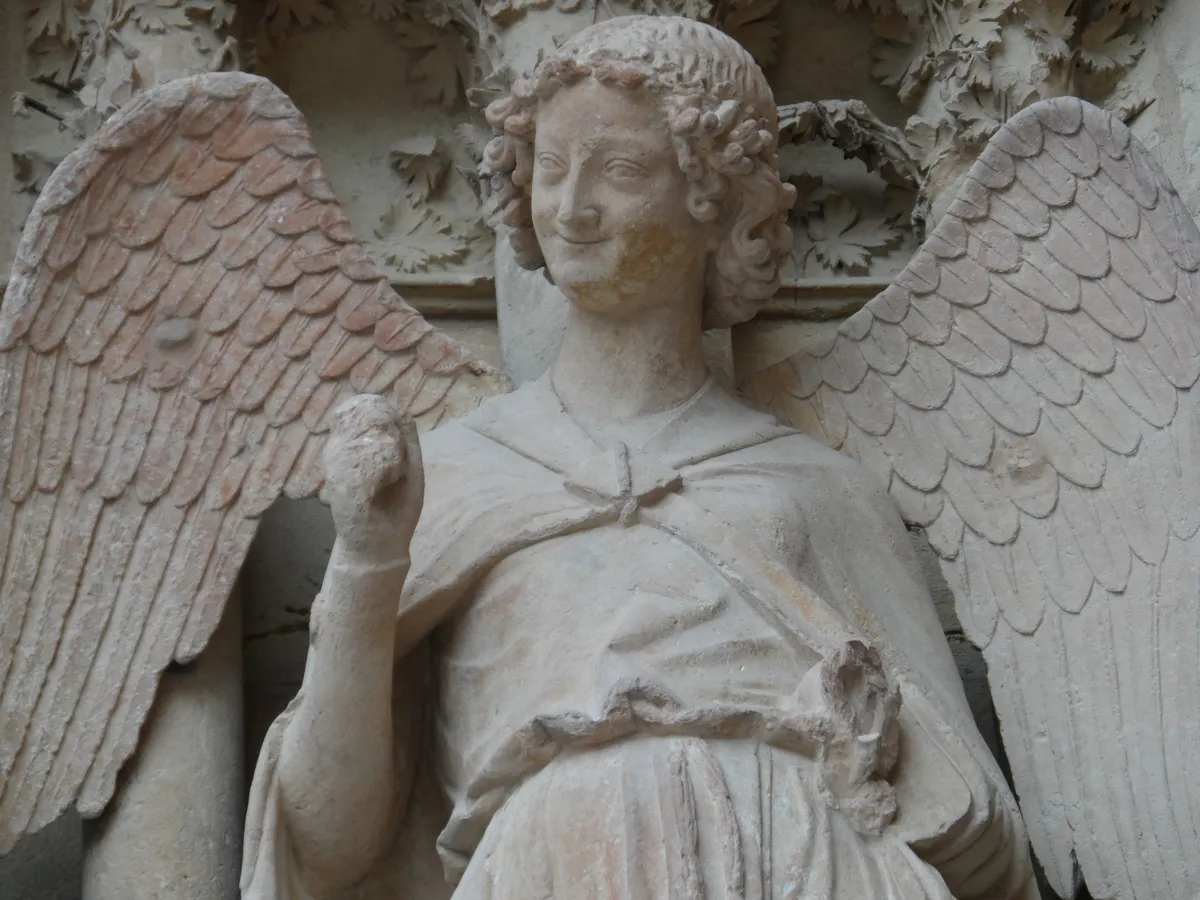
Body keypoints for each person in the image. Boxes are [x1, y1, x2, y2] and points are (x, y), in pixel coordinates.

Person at [242, 16, 1035, 899]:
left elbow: (985, 843)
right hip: (556, 867)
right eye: (550, 166)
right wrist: (367, 563)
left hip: (812, 865)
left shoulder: (814, 487)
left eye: (619, 170)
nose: (571, 206)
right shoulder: (454, 476)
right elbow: (326, 844)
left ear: (718, 204)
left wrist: (861, 741)